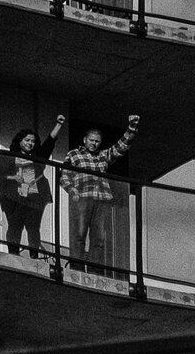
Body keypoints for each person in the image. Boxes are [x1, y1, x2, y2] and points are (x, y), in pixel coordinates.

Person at [58, 114, 139, 275]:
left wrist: (132, 127)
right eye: (91, 140)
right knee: (79, 235)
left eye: (97, 141)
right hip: (83, 198)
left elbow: (120, 147)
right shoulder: (74, 154)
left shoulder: (103, 156)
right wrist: (72, 190)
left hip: (102, 199)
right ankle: (77, 269)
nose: (94, 144)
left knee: (98, 239)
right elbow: (64, 175)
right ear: (84, 140)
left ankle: (95, 272)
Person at [0, 119, 63, 257]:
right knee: (15, 226)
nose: (30, 143)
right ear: (19, 141)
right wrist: (12, 177)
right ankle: (13, 255)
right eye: (27, 140)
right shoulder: (9, 156)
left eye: (32, 141)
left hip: (34, 197)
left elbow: (49, 143)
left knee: (34, 228)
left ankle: (34, 257)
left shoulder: (37, 157)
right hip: (13, 197)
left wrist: (58, 125)